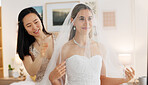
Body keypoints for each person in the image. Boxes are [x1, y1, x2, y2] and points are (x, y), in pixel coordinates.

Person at [43, 3, 135, 85]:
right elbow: (60, 82)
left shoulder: (100, 47)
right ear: (73, 21)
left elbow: (102, 80)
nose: (86, 23)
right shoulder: (65, 49)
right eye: (81, 19)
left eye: (90, 19)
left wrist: (124, 79)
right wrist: (53, 80)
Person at [11, 7, 54, 85]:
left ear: (40, 20)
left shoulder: (56, 37)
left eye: (36, 22)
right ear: (24, 29)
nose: (34, 27)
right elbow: (31, 72)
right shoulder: (27, 48)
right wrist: (40, 55)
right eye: (29, 25)